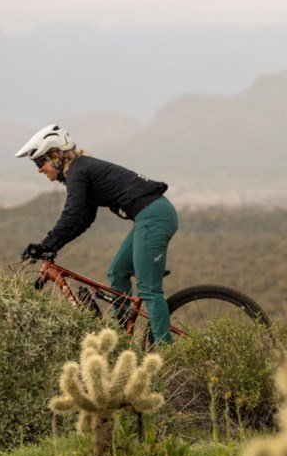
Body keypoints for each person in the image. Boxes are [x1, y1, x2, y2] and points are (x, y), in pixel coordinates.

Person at [15, 124, 181, 344]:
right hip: (151, 216)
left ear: (55, 155)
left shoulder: (77, 171)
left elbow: (72, 215)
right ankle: (119, 339)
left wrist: (47, 244)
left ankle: (167, 352)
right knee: (117, 272)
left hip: (154, 217)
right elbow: (83, 219)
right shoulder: (81, 170)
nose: (39, 169)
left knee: (149, 289)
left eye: (39, 162)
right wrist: (51, 246)